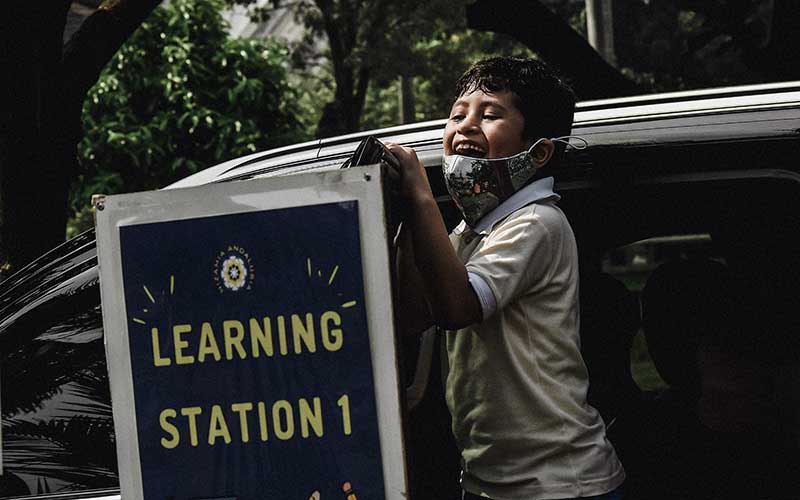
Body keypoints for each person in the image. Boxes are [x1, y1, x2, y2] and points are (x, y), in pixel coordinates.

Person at [388, 57, 625, 500]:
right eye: (458, 115)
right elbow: (417, 314)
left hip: (558, 483)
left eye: (490, 114)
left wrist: (422, 195)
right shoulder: (468, 231)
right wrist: (404, 220)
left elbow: (458, 307)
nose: (467, 126)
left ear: (537, 152)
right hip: (491, 481)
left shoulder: (536, 222)